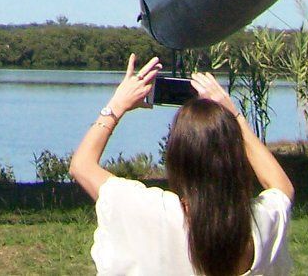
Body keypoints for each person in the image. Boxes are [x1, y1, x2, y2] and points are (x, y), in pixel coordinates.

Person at [70, 56, 294, 275]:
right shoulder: (258, 223)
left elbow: (82, 166)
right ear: (234, 157)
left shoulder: (146, 209)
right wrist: (233, 116)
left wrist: (115, 106)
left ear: (176, 158)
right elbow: (281, 187)